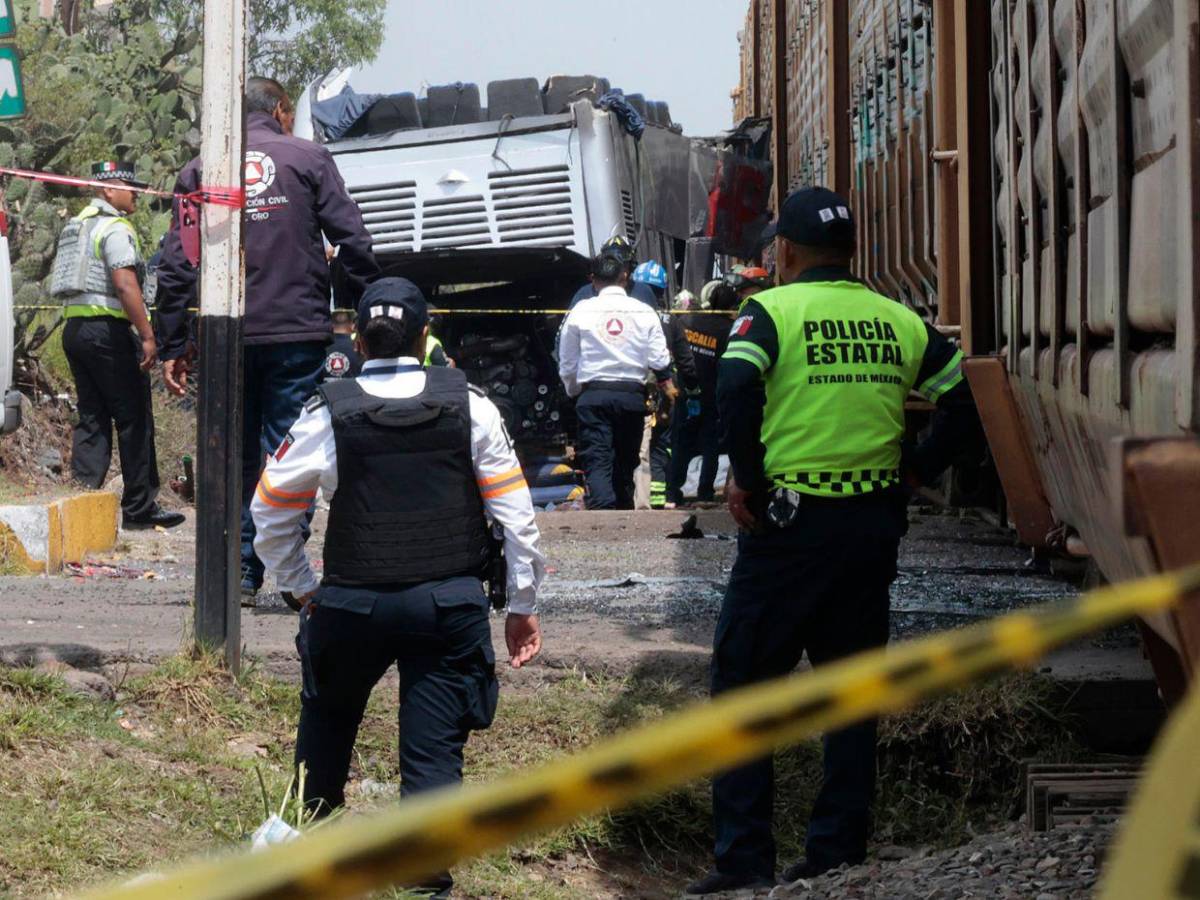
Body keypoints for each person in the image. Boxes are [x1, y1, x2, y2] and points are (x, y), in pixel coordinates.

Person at [687, 187, 979, 896]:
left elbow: (734, 387)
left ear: (783, 252)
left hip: (788, 529)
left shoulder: (772, 311)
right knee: (850, 692)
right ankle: (837, 852)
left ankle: (744, 860)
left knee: (744, 686)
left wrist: (746, 480)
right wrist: (916, 469)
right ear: (852, 253)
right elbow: (964, 399)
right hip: (870, 529)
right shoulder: (898, 319)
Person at [251, 278, 544, 899]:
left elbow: (271, 514)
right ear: (425, 334)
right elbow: (517, 519)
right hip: (448, 607)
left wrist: (306, 591)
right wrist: (522, 605)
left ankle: (304, 865)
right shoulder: (472, 405)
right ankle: (422, 885)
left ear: (357, 339)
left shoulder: (328, 409)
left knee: (324, 743)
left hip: (351, 605)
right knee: (434, 761)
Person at [156, 76, 381, 603]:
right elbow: (352, 238)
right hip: (295, 332)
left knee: (232, 453)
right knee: (289, 451)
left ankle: (240, 574)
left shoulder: (199, 171)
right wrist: (377, 306)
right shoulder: (308, 158)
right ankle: (285, 568)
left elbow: (176, 264)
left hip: (221, 336)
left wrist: (171, 342)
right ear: (281, 109)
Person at [50, 161, 184, 530]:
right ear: (108, 189)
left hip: (75, 329)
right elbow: (125, 284)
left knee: (92, 416)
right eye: (130, 185)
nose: (137, 192)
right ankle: (139, 508)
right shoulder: (115, 227)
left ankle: (83, 500)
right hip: (108, 332)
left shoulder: (77, 224)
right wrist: (147, 335)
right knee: (134, 418)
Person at [558, 250, 677, 510]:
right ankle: (623, 510)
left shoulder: (581, 310)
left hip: (593, 396)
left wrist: (574, 391)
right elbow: (659, 358)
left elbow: (567, 361)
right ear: (625, 277)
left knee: (597, 458)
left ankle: (603, 513)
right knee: (626, 459)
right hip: (631, 398)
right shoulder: (644, 311)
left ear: (593, 280)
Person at [665, 278, 742, 506]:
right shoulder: (729, 331)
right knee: (710, 447)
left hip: (685, 393)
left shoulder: (688, 320)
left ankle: (672, 492)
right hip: (712, 398)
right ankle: (705, 492)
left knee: (680, 444)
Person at [631, 260, 698, 508]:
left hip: (633, 391)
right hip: (665, 394)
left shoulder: (625, 316)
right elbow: (686, 362)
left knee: (634, 447)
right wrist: (693, 392)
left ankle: (638, 497)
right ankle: (661, 498)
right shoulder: (671, 321)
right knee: (662, 447)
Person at [322, 310, 362, 381]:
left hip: (325, 391)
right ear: (352, 326)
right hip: (354, 391)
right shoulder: (359, 346)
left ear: (330, 325)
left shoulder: (320, 346)